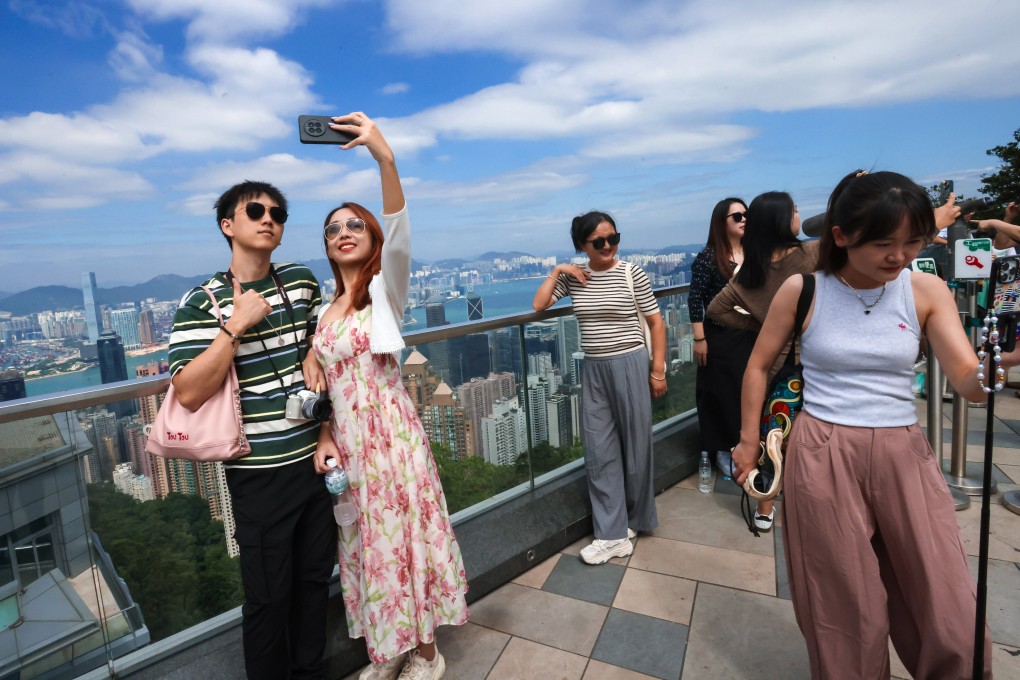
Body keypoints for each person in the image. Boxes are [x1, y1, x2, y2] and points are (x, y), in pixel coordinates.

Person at [731, 171, 1014, 679]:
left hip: (902, 450)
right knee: (843, 604)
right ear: (841, 236)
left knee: (945, 599)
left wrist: (1003, 364)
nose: (899, 256)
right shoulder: (804, 289)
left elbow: (969, 381)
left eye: (912, 241)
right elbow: (758, 365)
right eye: (884, 243)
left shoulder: (925, 290)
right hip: (822, 450)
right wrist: (749, 445)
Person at [306, 113, 469, 680]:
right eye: (332, 228)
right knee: (370, 551)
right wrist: (325, 433)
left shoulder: (383, 294)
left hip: (392, 443)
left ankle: (427, 652)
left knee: (406, 544)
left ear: (372, 237)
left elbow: (400, 234)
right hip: (349, 450)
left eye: (355, 224)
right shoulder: (325, 312)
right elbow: (326, 386)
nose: (343, 231)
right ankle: (391, 644)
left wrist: (385, 157)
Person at [168, 182, 335, 678]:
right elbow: (189, 391)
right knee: (267, 597)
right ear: (228, 226)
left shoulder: (302, 281)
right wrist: (235, 325)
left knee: (313, 583)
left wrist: (311, 351)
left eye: (278, 213)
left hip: (314, 463)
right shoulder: (204, 301)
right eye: (256, 210)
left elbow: (321, 338)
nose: (269, 219)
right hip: (257, 473)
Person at [532, 211, 666, 565]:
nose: (607, 246)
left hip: (630, 363)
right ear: (582, 245)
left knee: (637, 446)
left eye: (613, 238)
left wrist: (658, 370)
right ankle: (612, 533)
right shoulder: (576, 278)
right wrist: (559, 270)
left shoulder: (630, 272)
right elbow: (539, 304)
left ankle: (635, 520)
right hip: (593, 368)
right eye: (598, 241)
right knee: (598, 448)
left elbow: (656, 322)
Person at [707, 191, 818, 532]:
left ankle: (766, 507)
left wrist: (765, 325)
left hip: (776, 366)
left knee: (774, 434)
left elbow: (715, 310)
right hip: (818, 359)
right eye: (795, 210)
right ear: (783, 220)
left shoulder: (748, 274)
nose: (799, 215)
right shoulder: (813, 253)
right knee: (814, 436)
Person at [689, 198, 756, 478]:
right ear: (721, 223)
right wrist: (700, 339)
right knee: (723, 393)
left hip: (752, 334)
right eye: (736, 216)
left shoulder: (756, 254)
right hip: (720, 335)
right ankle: (724, 450)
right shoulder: (708, 258)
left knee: (750, 393)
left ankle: (750, 449)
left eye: (746, 214)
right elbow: (695, 298)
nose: (744, 219)